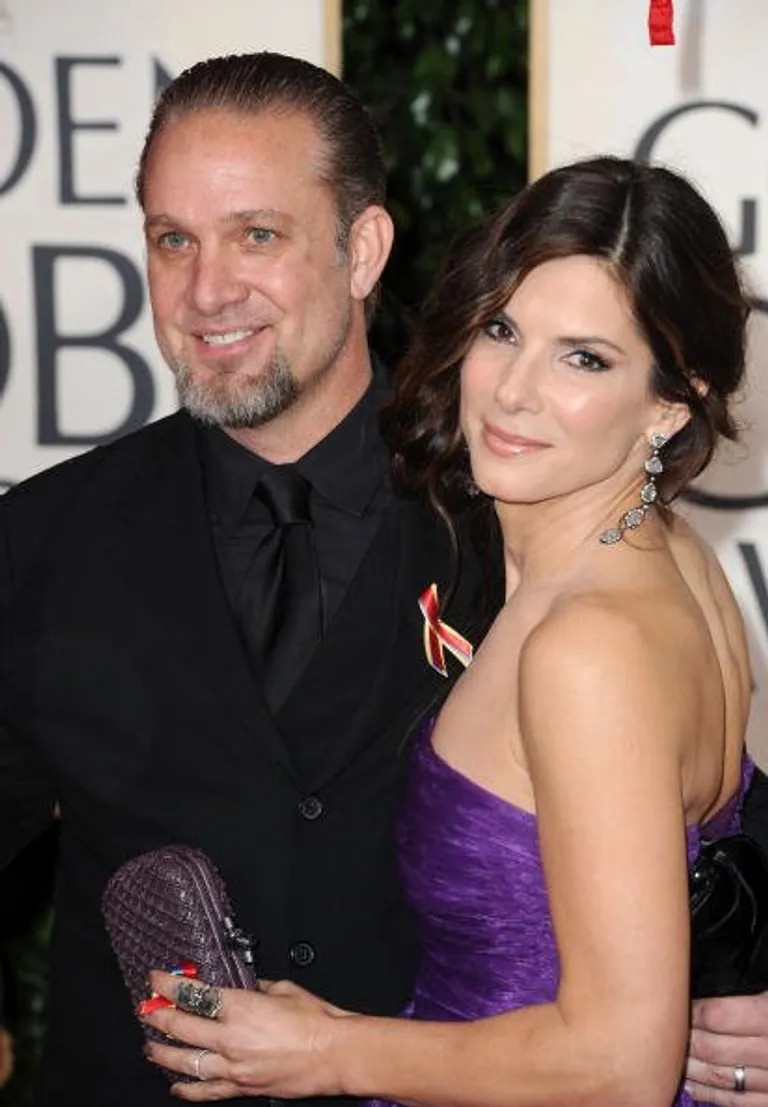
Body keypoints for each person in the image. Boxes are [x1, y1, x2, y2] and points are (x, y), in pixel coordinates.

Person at [0, 51, 765, 1107]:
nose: (207, 290)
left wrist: (744, 984)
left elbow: (711, 800)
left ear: (363, 251)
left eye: (257, 234)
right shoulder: (40, 539)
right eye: (173, 239)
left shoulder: (516, 507)